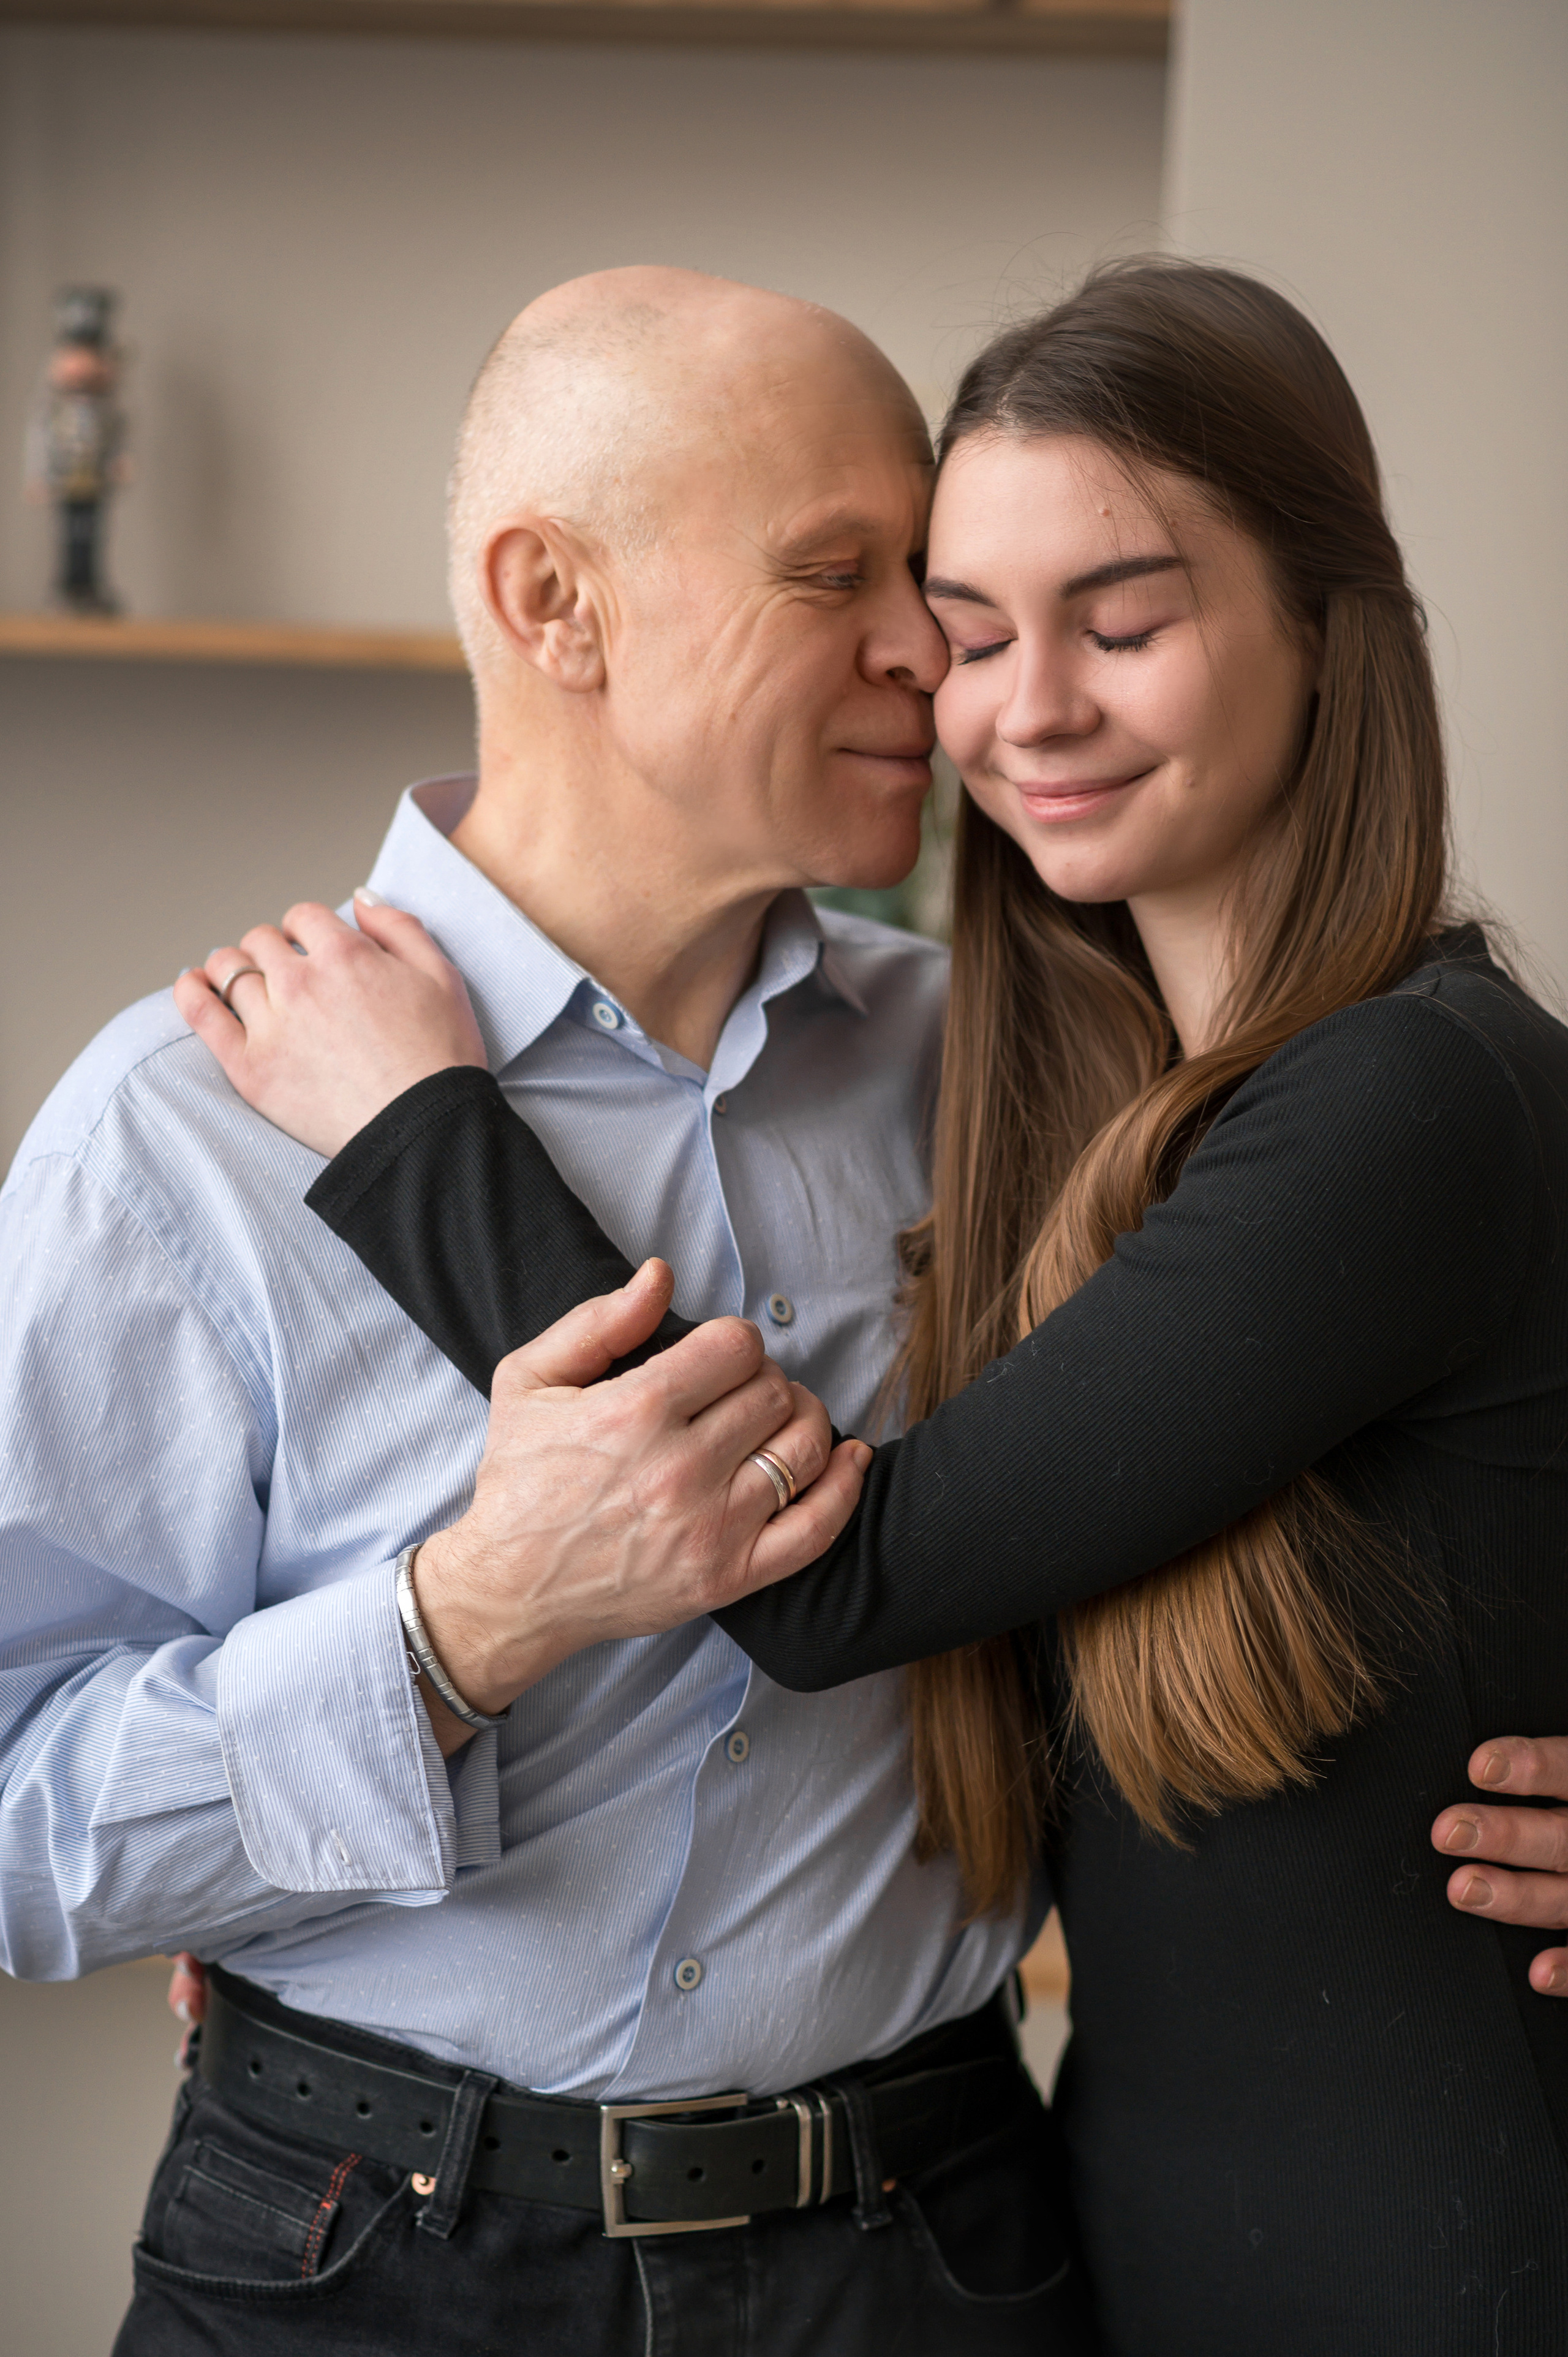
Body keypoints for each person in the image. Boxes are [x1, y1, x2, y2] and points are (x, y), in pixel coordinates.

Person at [179, 261, 1568, 2354]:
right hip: (1101, 2247)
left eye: (1127, 619)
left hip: (1423, 2262)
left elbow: (840, 1583)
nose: (1019, 709)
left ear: (1328, 622)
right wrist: (322, 1896)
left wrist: (421, 1138)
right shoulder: (1073, 1112)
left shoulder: (1408, 1095)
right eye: (972, 632)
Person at [0, 270, 1098, 2357]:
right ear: (554, 603)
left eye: (928, 575)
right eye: (835, 574)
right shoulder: (176, 1132)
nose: (930, 648)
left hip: (938, 2251)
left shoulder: (1017, 1077)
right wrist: (454, 1634)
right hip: (356, 2267)